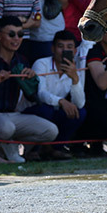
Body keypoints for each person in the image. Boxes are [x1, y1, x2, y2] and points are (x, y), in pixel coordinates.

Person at [0, 16, 58, 162]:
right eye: (11, 34)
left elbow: (33, 98)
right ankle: (0, 150)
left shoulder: (22, 60)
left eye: (20, 34)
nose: (16, 38)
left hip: (13, 115)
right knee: (6, 128)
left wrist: (31, 82)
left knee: (51, 130)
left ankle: (11, 150)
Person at [20, 30, 85, 160]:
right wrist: (61, 101)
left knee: (80, 112)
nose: (64, 51)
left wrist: (75, 79)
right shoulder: (42, 63)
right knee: (46, 110)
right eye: (60, 47)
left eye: (69, 47)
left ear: (75, 51)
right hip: (33, 109)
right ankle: (33, 149)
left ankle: (55, 148)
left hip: (53, 110)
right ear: (53, 49)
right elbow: (41, 94)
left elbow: (80, 103)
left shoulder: (75, 69)